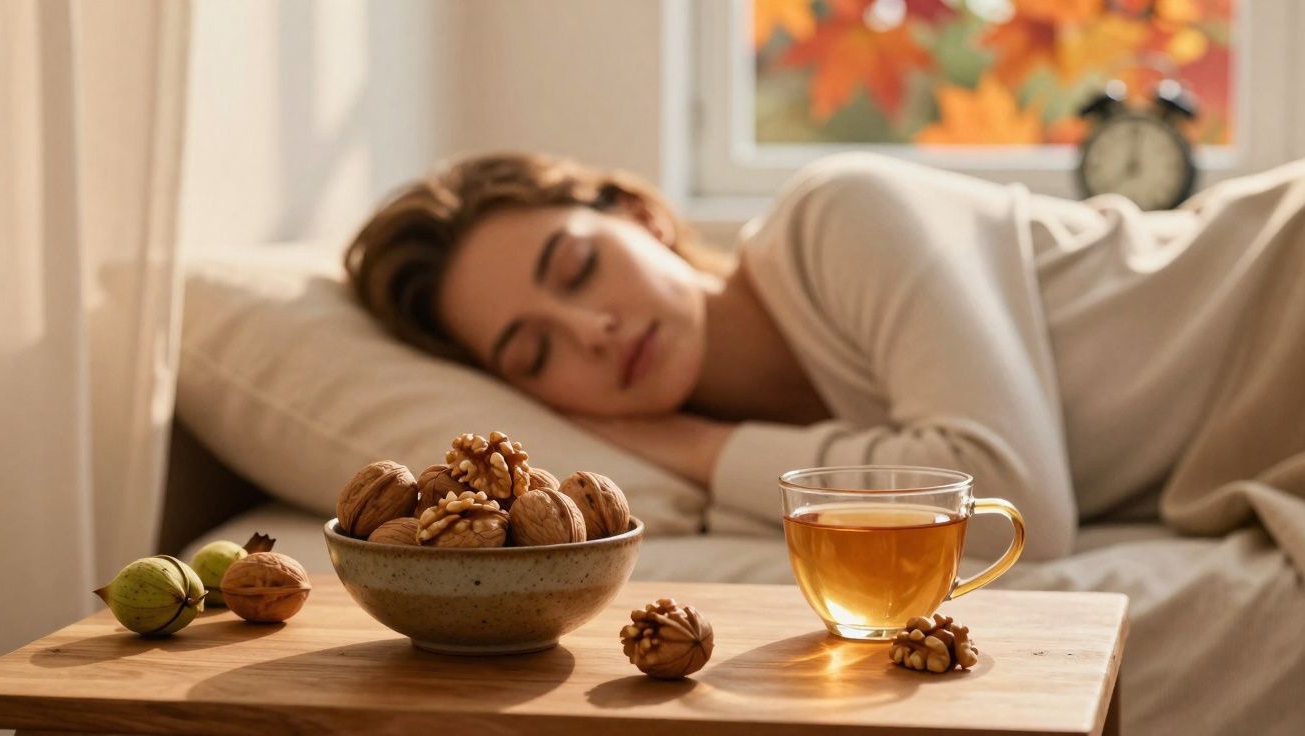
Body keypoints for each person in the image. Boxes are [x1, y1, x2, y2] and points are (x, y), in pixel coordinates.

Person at [345, 151, 1305, 561]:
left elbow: (1014, 505)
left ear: (639, 214)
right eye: (535, 350)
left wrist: (693, 447)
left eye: (580, 268)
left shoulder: (839, 212)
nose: (590, 331)